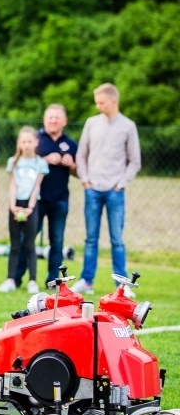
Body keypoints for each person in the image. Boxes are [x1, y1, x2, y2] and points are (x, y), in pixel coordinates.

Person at [71, 83, 141, 296]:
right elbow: (81, 155)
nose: (97, 105)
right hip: (92, 189)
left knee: (116, 240)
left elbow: (135, 161)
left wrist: (121, 184)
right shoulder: (91, 123)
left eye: (101, 102)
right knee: (91, 239)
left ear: (113, 101)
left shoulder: (128, 126)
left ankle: (122, 286)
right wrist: (85, 181)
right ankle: (86, 281)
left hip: (114, 192)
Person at [13, 104, 77, 289]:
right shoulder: (35, 140)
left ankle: (52, 281)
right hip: (36, 200)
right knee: (28, 238)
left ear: (64, 121)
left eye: (57, 117)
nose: (53, 120)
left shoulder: (71, 144)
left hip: (60, 199)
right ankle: (16, 278)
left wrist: (72, 165)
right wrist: (44, 160)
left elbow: (78, 172)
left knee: (57, 242)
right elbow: (20, 162)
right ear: (44, 119)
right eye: (50, 117)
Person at [0, 127, 49, 293]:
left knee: (29, 244)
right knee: (15, 244)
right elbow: (12, 184)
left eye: (29, 141)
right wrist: (12, 206)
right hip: (15, 204)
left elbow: (37, 186)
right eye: (23, 142)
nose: (26, 145)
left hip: (31, 205)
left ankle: (32, 280)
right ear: (19, 144)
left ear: (35, 142)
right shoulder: (13, 162)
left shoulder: (40, 163)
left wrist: (30, 208)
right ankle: (10, 279)